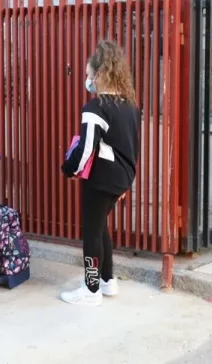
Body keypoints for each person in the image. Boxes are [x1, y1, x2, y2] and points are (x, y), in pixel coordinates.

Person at [60, 40, 140, 306]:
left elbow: (86, 149)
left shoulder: (95, 109)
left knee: (92, 232)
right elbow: (132, 146)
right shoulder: (129, 106)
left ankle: (91, 289)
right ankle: (107, 280)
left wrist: (69, 169)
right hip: (121, 177)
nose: (87, 80)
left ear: (99, 74)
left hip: (100, 178)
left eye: (88, 74)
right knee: (100, 225)